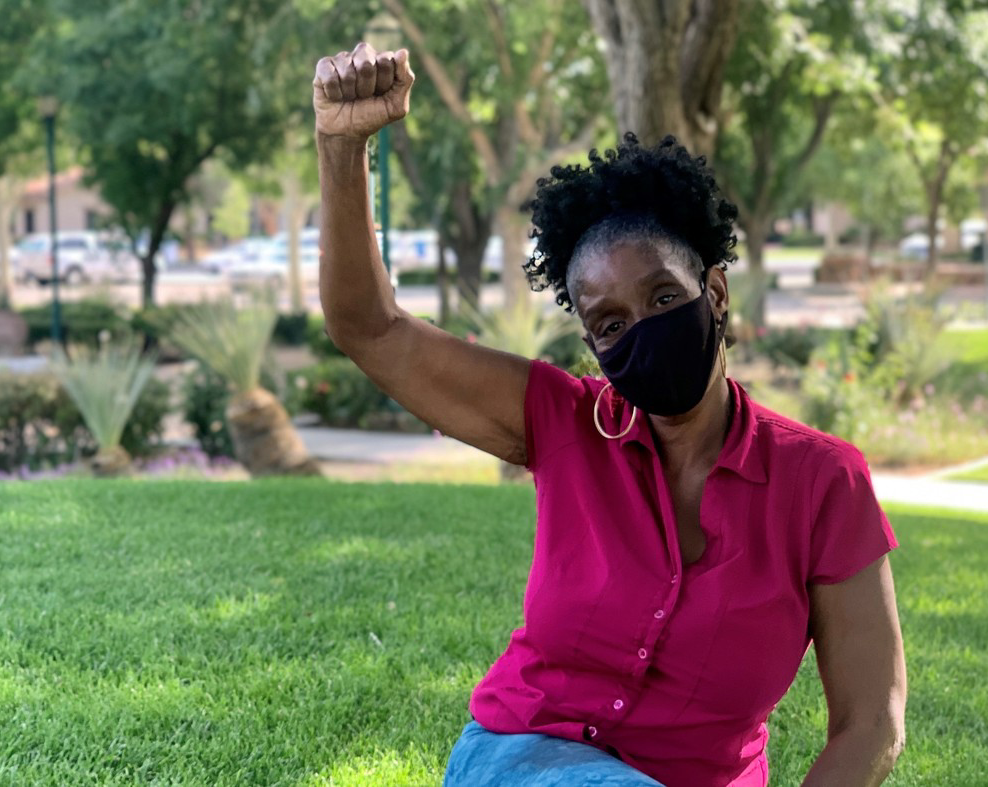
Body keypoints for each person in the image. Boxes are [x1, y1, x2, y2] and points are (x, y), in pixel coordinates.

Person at [313, 42, 906, 787]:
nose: (643, 329)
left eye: (663, 297)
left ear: (715, 294)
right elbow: (369, 327)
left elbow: (872, 722)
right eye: (612, 323)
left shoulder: (822, 482)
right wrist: (342, 147)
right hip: (523, 754)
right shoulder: (560, 420)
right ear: (593, 346)